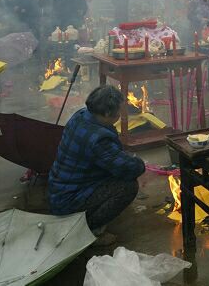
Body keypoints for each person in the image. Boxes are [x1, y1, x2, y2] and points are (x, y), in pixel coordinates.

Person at [48, 85, 145, 244]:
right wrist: (138, 162)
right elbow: (129, 169)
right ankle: (89, 231)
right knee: (128, 187)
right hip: (69, 200)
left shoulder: (80, 116)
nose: (120, 114)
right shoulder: (98, 139)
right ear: (107, 113)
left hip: (59, 190)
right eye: (119, 111)